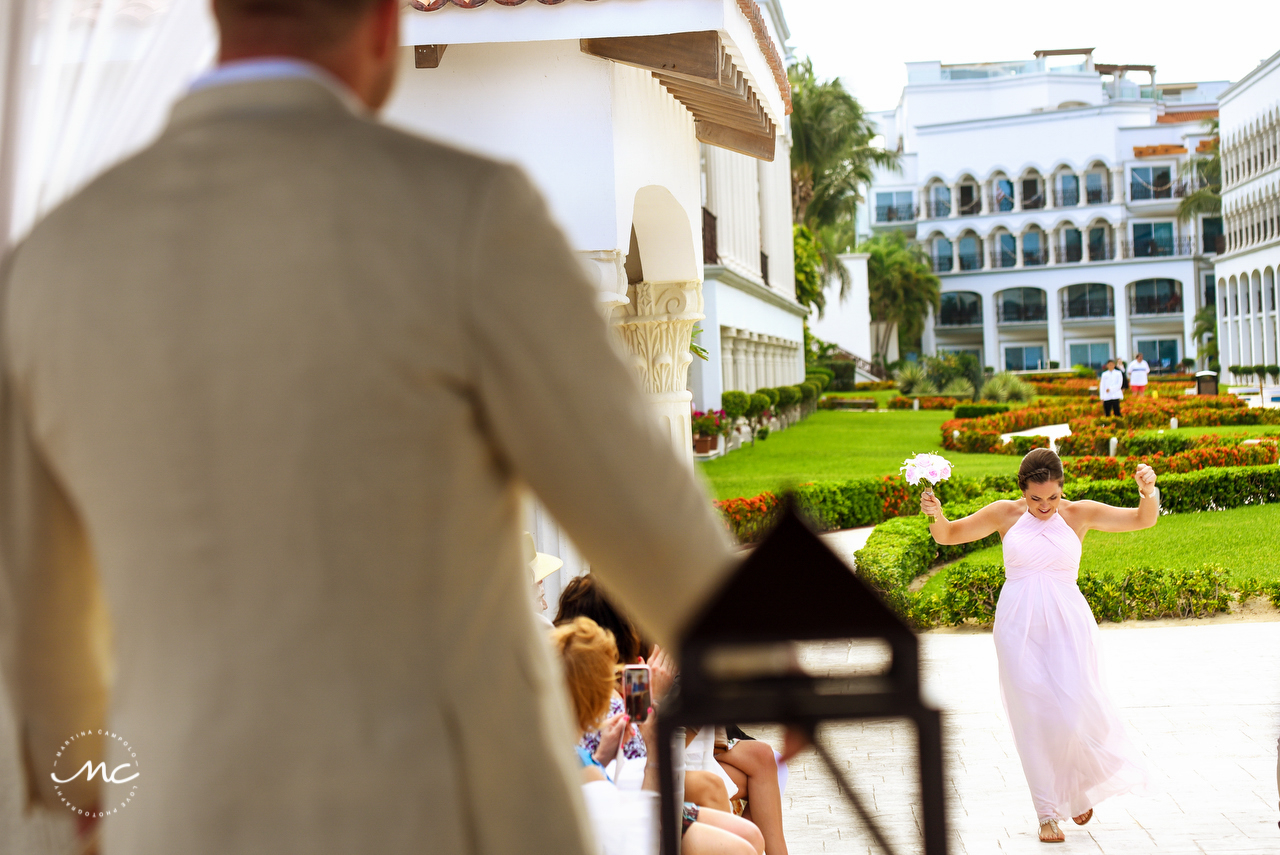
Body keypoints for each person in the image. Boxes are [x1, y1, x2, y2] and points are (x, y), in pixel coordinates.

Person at [0, 0, 737, 852]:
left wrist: (93, 796)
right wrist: (767, 669)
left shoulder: (54, 261)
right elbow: (650, 523)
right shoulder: (467, 216)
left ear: (215, 14)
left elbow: (39, 623)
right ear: (385, 23)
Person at [920, 449, 1157, 843]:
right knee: (1033, 717)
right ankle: (1047, 813)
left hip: (1068, 625)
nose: (1045, 506)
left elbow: (1142, 519)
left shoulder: (1079, 514)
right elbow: (947, 534)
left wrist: (1148, 491)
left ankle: (1077, 786)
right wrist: (934, 512)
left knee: (1073, 712)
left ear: (1063, 487)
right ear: (1022, 491)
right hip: (1017, 628)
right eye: (1036, 499)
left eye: (1052, 497)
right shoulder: (1004, 514)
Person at [552, 617, 764, 855]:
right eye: (608, 676)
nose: (615, 687)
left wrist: (604, 755)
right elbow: (640, 839)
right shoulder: (575, 760)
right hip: (644, 821)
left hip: (637, 809)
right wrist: (655, 747)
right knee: (739, 837)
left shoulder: (568, 750)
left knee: (749, 827)